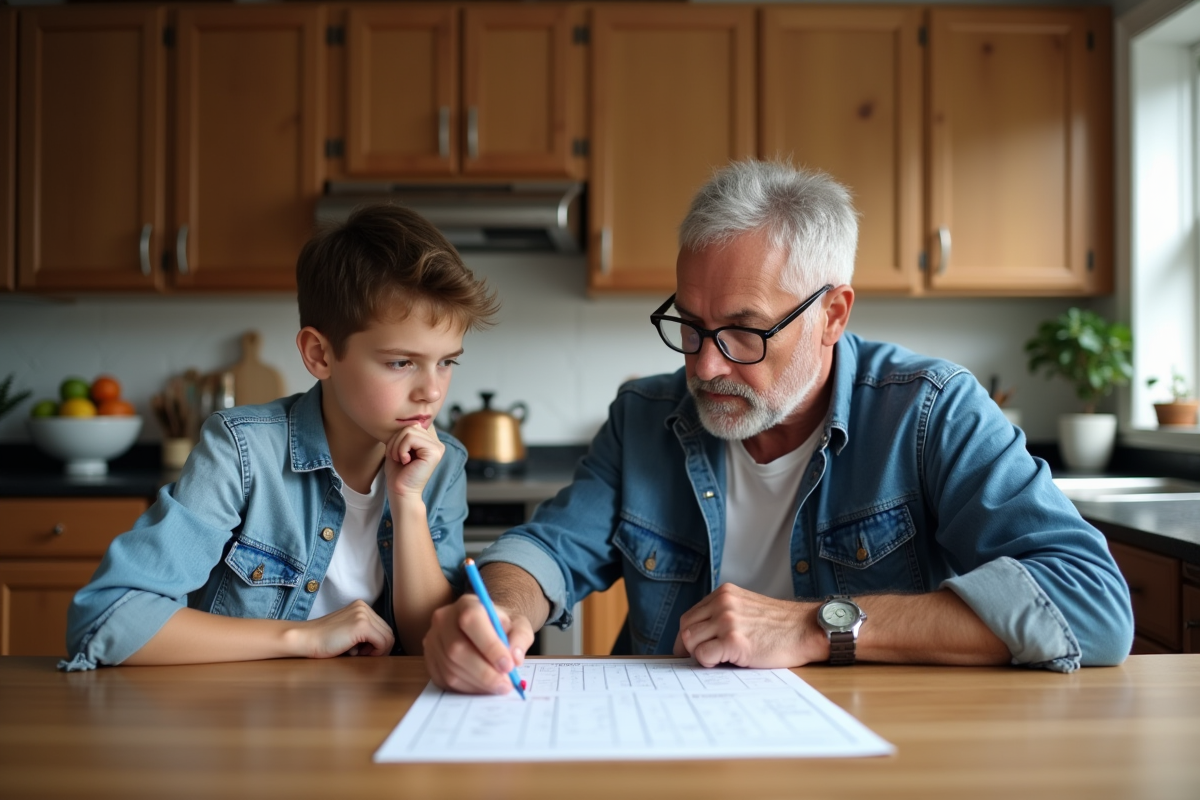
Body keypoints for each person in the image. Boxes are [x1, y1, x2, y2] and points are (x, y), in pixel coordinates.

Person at [423, 160, 1133, 694]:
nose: (705, 366)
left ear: (833, 315)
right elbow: (549, 548)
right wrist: (502, 610)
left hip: (879, 748)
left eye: (745, 330)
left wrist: (813, 625)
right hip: (672, 746)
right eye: (691, 325)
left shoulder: (930, 412)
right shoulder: (644, 415)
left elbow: (1092, 604)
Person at [61, 204, 498, 671]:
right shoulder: (242, 451)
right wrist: (305, 637)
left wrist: (407, 501)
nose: (432, 391)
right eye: (401, 362)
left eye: (446, 362)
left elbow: (432, 643)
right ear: (319, 355)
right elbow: (107, 619)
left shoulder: (443, 463)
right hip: (243, 711)